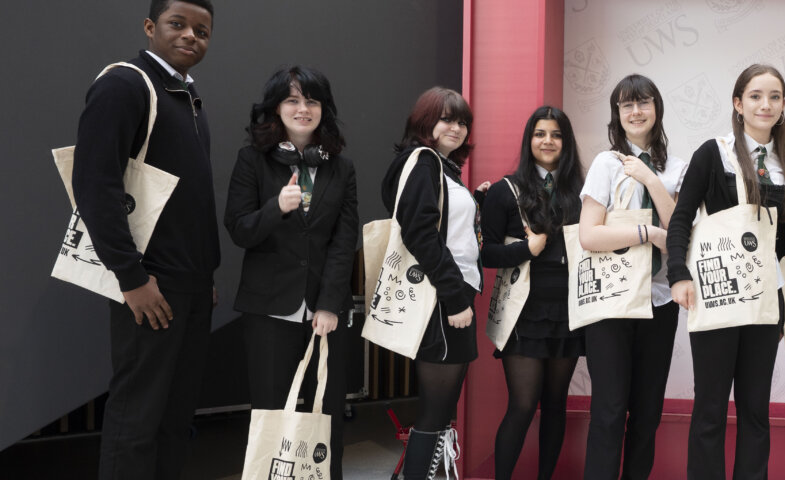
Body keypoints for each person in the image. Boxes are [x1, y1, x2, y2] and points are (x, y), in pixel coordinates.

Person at [70, 1, 218, 478]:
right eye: (178, 24)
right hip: (150, 284)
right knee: (136, 419)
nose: (191, 36)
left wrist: (203, 275)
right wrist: (131, 277)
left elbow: (190, 201)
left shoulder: (185, 95)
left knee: (175, 418)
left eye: (202, 30)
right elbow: (94, 186)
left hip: (190, 285)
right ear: (151, 27)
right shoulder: (124, 84)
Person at [667, 64, 785, 480]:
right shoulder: (714, 153)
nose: (766, 104)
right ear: (738, 103)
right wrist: (678, 274)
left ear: (783, 107)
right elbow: (681, 218)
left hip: (764, 305)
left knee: (755, 411)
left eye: (775, 97)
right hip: (716, 294)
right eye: (757, 96)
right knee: (710, 409)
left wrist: (782, 306)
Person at [224, 66, 358, 479]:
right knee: (271, 413)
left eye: (312, 101)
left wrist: (331, 304)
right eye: (292, 100)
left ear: (324, 109)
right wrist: (275, 208)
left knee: (327, 413)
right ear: (275, 109)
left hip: (325, 313)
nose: (303, 109)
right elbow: (239, 229)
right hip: (268, 309)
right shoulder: (252, 161)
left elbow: (343, 241)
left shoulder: (342, 168)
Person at [578, 74, 686, 480]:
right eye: (627, 105)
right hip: (610, 303)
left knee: (647, 414)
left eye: (643, 103)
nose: (636, 111)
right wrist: (649, 234)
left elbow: (680, 232)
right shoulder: (606, 163)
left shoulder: (677, 168)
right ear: (617, 115)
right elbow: (589, 235)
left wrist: (650, 180)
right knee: (608, 411)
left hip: (658, 302)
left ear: (656, 109)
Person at [381, 86, 483, 479]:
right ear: (425, 122)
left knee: (442, 411)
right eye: (446, 118)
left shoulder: (440, 167)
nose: (455, 128)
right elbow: (420, 232)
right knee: (435, 410)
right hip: (443, 298)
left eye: (462, 121)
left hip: (451, 295)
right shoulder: (422, 161)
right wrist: (456, 297)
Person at [482, 105, 586, 480]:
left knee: (555, 406)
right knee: (523, 405)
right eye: (540, 133)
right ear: (530, 140)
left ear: (566, 142)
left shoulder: (581, 192)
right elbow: (487, 253)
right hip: (523, 313)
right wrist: (527, 249)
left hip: (570, 312)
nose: (548, 141)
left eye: (556, 135)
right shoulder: (504, 191)